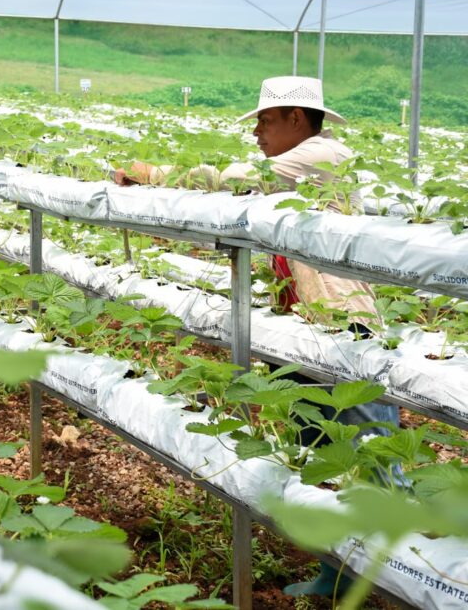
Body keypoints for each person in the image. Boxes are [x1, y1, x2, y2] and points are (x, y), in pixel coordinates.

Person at [115, 76, 401, 598]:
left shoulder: (323, 154)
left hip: (343, 327)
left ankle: (408, 577)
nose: (257, 133)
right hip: (300, 328)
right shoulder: (298, 166)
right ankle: (337, 575)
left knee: (373, 458)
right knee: (316, 456)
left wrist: (153, 173)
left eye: (265, 121)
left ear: (297, 117)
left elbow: (237, 178)